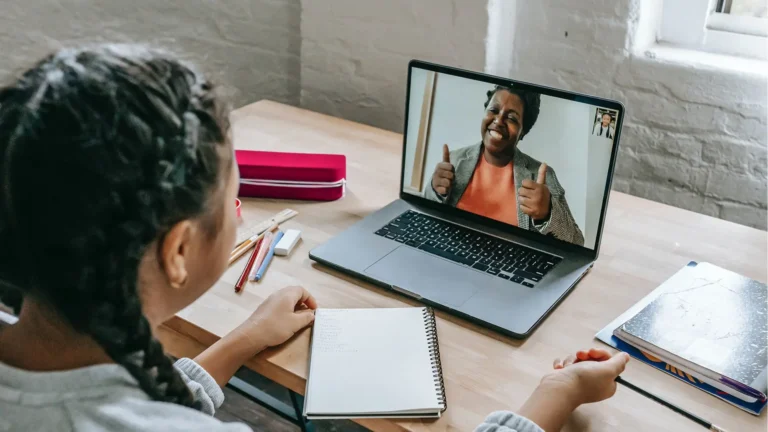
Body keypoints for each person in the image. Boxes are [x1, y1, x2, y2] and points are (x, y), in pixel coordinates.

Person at [0, 45, 628, 432]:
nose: (242, 208)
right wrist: (553, 396)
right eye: (233, 193)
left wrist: (243, 339)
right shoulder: (457, 157)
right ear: (177, 251)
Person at [424, 85, 584, 246]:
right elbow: (426, 218)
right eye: (493, 110)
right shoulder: (454, 160)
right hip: (451, 250)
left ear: (523, 132)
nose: (499, 121)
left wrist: (547, 213)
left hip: (509, 266)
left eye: (512, 118)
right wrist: (434, 190)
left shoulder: (541, 176)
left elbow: (577, 242)